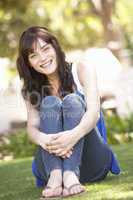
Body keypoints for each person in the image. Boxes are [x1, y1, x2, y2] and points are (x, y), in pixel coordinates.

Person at [16, 26, 120, 199]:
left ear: (55, 46)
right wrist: (46, 139)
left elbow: (93, 114)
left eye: (45, 49)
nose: (42, 58)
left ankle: (70, 173)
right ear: (28, 62)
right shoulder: (30, 89)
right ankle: (56, 176)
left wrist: (71, 137)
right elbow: (32, 128)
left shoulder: (82, 69)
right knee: (49, 102)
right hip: (50, 167)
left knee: (72, 101)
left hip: (91, 162)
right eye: (33, 55)